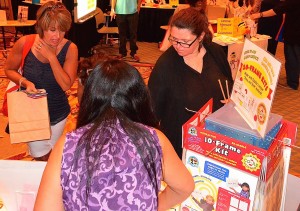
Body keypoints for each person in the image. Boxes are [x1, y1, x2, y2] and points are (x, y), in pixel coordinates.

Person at [34, 59, 195, 210]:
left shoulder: (68, 144)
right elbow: (185, 187)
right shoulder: (154, 139)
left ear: (90, 98)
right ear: (139, 98)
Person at [148, 7, 233, 158]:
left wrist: (232, 101)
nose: (177, 46)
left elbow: (229, 84)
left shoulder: (215, 52)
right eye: (173, 39)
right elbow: (152, 112)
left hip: (217, 137)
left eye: (185, 41)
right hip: (181, 144)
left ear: (200, 36)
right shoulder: (165, 65)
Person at [4, 1, 78, 161]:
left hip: (59, 113)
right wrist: (24, 82)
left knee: (53, 155)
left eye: (62, 30)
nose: (57, 36)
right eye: (52, 30)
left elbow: (66, 85)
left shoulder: (70, 49)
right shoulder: (25, 43)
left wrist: (52, 57)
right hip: (32, 113)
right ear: (42, 27)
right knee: (41, 156)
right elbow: (8, 69)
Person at [250, 0, 300, 90]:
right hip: (290, 30)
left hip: (292, 32)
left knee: (292, 56)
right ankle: (292, 79)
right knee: (293, 56)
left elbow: (278, 10)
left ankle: (292, 82)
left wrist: (260, 15)